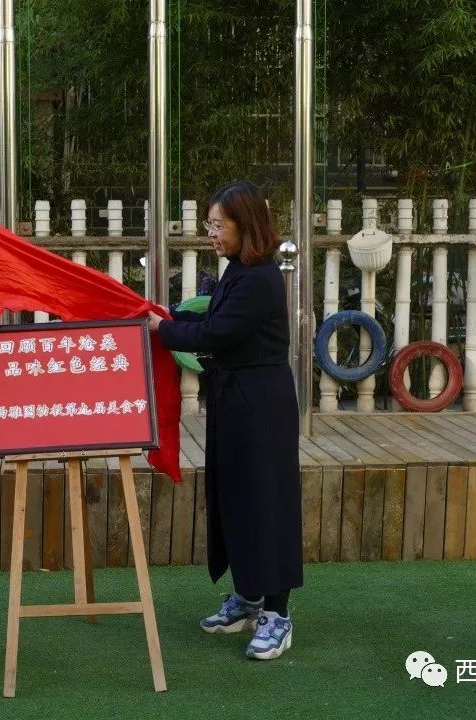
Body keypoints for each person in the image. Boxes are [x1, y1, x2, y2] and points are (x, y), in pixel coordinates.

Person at [148, 180, 303, 661]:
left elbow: (217, 331)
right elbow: (211, 323)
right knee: (234, 498)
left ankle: (277, 614)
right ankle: (248, 596)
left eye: (219, 225)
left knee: (266, 502)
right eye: (209, 225)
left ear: (245, 225)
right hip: (236, 401)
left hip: (261, 406)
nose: (211, 234)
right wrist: (167, 319)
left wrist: (161, 328)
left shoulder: (259, 278)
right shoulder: (239, 269)